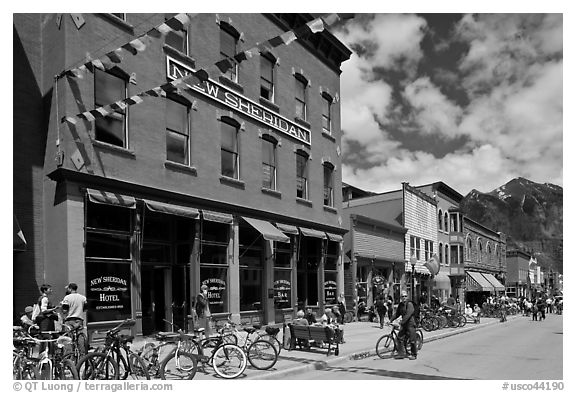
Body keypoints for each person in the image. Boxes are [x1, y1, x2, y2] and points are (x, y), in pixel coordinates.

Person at [391, 291, 418, 360]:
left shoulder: (410, 304)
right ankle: (401, 353)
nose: (404, 298)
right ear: (401, 297)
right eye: (402, 296)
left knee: (412, 339)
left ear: (407, 297)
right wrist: (390, 320)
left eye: (405, 296)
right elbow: (397, 314)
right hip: (404, 323)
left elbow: (408, 314)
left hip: (410, 323)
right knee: (400, 337)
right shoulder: (401, 305)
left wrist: (401, 322)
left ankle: (414, 354)